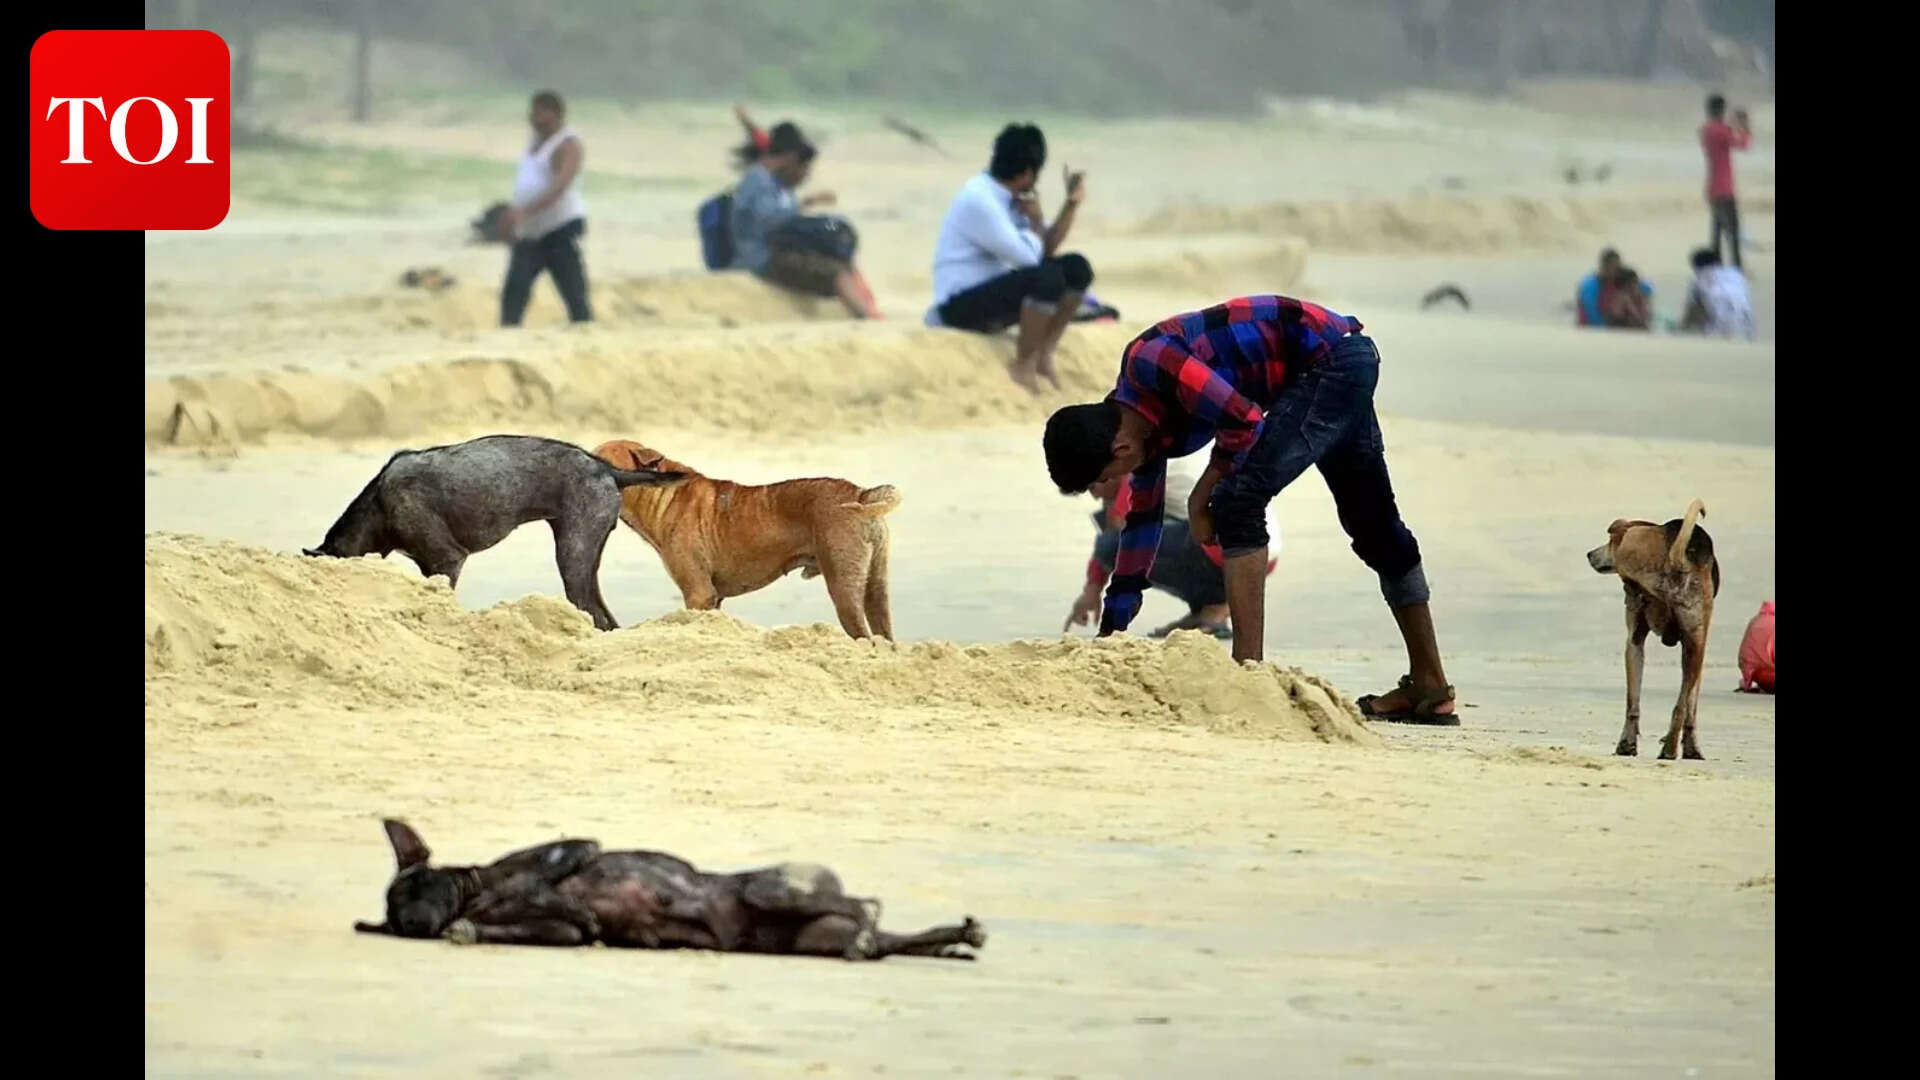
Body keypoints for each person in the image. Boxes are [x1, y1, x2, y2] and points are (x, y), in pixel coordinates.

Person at [1042, 295, 1457, 725]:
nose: (1104, 490)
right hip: (1331, 367)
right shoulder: (1140, 430)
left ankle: (1248, 675)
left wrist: (1201, 496)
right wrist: (1111, 638)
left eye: (1101, 480)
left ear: (1119, 449)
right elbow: (1139, 535)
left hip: (1329, 359)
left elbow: (1244, 420)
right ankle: (1429, 684)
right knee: (1373, 526)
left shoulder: (1152, 362)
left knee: (1236, 500)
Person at [927, 124, 1093, 393]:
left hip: (990, 292)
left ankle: (1043, 354)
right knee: (1046, 278)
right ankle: (1022, 365)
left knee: (1077, 268)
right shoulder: (979, 199)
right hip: (957, 306)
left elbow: (1044, 250)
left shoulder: (1009, 198)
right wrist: (1037, 220)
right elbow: (1031, 259)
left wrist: (1070, 205)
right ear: (1028, 173)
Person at [1066, 464, 1279, 640]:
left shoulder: (1135, 470)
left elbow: (1115, 540)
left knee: (1114, 543)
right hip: (1261, 552)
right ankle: (1207, 611)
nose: (1095, 496)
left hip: (1232, 549)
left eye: (1093, 487)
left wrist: (1096, 594)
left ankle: (1216, 607)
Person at [728, 122, 879, 319]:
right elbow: (769, 220)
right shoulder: (758, 181)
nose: (806, 176)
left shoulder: (776, 183)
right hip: (762, 257)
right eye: (805, 169)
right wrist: (806, 203)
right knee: (834, 273)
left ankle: (870, 309)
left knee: (840, 252)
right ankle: (866, 317)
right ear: (791, 159)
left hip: (776, 248)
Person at [498, 91, 591, 327]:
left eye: (541, 113)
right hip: (529, 233)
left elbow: (559, 187)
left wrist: (523, 212)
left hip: (559, 230)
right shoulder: (534, 142)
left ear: (556, 114)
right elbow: (527, 184)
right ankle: (508, 336)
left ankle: (585, 333)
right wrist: (512, 218)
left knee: (574, 296)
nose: (535, 118)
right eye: (533, 112)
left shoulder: (568, 144)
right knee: (514, 292)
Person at [1700, 94, 1753, 270]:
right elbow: (1744, 144)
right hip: (1725, 189)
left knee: (1716, 231)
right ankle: (1737, 269)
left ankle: (1714, 267)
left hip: (1712, 188)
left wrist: (1731, 122)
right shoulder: (1723, 130)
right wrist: (1745, 126)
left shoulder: (1706, 130)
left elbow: (1721, 132)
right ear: (1722, 110)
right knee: (1733, 233)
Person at [1679, 247, 1756, 340]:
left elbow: (1693, 311)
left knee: (1697, 308)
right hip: (1747, 330)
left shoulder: (1698, 280)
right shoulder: (1737, 274)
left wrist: (1683, 327)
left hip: (1719, 332)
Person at [1575, 249, 1652, 329]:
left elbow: (1645, 287)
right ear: (1604, 266)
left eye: (1618, 267)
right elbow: (1592, 314)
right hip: (1590, 328)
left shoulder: (1615, 279)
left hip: (1612, 323)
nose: (1617, 271)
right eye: (1614, 267)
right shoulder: (1590, 285)